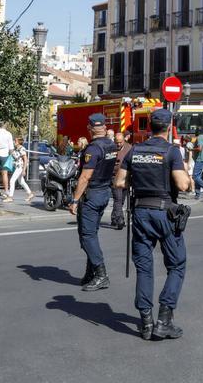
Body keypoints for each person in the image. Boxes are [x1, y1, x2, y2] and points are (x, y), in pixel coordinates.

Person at [116, 108, 192, 341]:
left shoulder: (135, 150)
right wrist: (188, 175)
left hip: (140, 212)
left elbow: (120, 182)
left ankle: (146, 322)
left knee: (144, 267)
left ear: (149, 126)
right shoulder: (171, 151)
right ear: (169, 127)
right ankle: (164, 320)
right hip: (164, 213)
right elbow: (182, 185)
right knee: (177, 264)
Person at [69, 115, 118, 291]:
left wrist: (75, 200)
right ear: (104, 127)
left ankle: (101, 274)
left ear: (89, 128)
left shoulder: (94, 148)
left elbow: (85, 176)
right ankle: (91, 273)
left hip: (92, 194)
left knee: (87, 236)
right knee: (92, 235)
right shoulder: (111, 145)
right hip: (104, 192)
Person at [109, 130, 130, 229]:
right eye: (117, 142)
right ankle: (120, 220)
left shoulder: (129, 148)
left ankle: (114, 217)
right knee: (118, 199)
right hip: (114, 177)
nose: (118, 144)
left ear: (124, 141)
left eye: (120, 142)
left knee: (121, 200)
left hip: (126, 177)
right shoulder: (110, 148)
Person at [8, 136, 33, 204]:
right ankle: (30, 193)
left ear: (19, 142)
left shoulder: (22, 149)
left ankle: (10, 197)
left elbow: (25, 160)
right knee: (21, 181)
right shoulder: (16, 149)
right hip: (17, 167)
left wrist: (24, 170)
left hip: (20, 167)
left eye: (15, 141)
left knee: (12, 181)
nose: (14, 142)